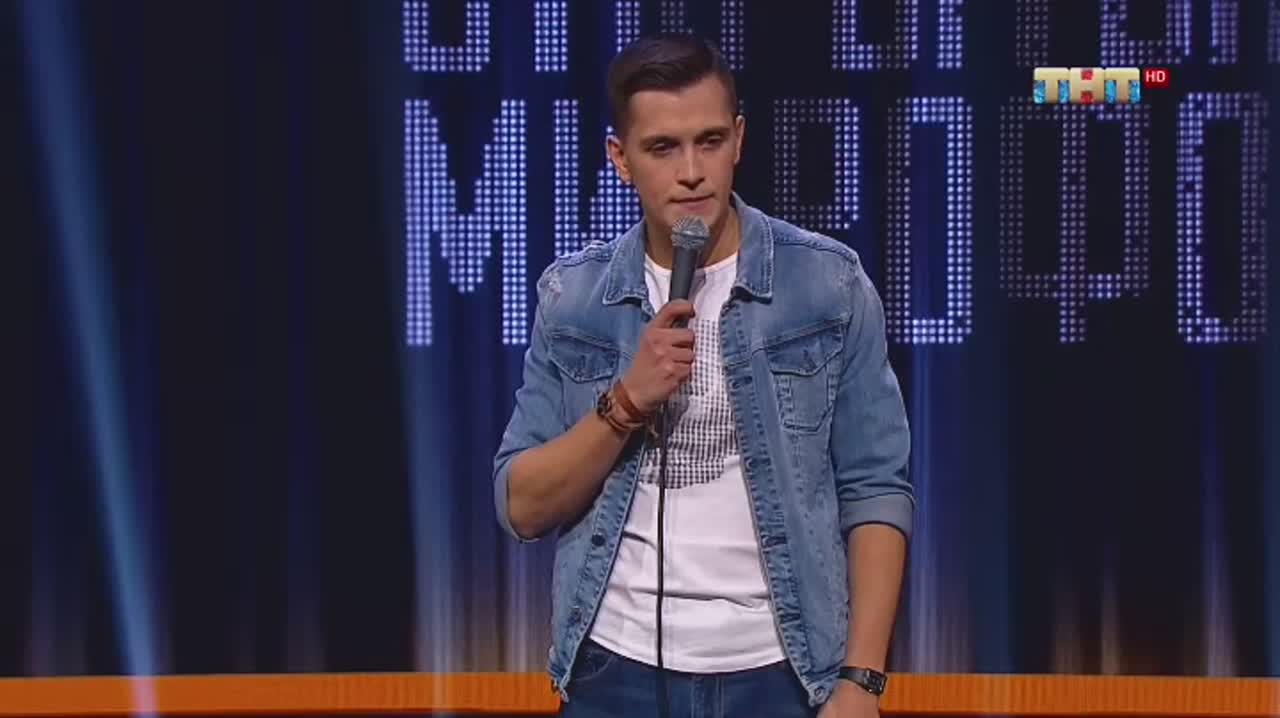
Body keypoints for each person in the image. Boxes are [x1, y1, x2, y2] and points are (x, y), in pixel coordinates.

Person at [493, 32, 914, 718]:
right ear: (620, 159)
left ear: (738, 139)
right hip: (614, 672)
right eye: (663, 148)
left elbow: (876, 488)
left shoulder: (827, 285)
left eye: (709, 141)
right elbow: (521, 505)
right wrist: (626, 402)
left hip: (784, 673)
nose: (691, 172)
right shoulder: (574, 300)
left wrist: (861, 681)